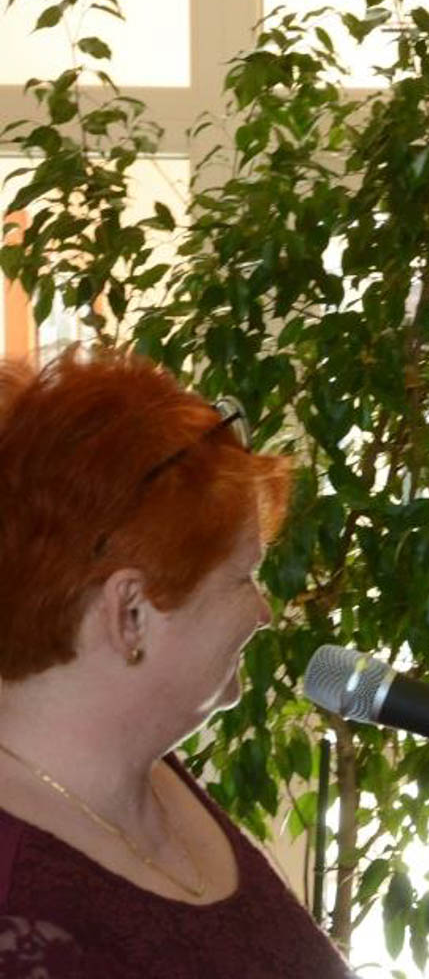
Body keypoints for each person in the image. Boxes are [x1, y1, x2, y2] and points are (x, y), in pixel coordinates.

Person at [0, 348, 352, 978]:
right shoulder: (20, 909)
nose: (264, 612)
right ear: (130, 612)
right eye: (243, 577)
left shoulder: (142, 772)